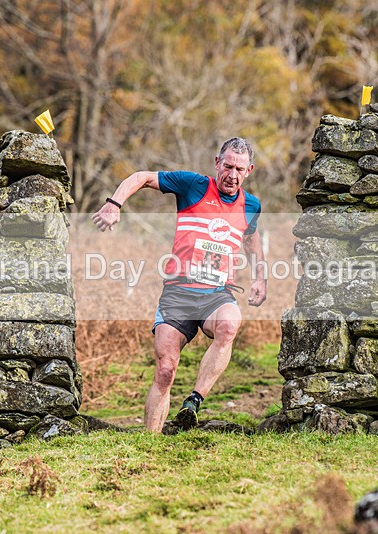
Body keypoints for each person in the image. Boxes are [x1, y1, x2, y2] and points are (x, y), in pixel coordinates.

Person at [91, 137, 267, 433]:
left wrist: (260, 276)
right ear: (217, 163)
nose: (232, 175)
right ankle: (150, 441)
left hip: (217, 295)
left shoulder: (251, 204)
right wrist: (114, 204)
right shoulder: (192, 185)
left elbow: (250, 237)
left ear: (248, 170)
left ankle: (194, 401)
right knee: (165, 369)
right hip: (178, 294)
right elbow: (142, 177)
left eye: (239, 169)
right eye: (227, 166)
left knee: (228, 325)